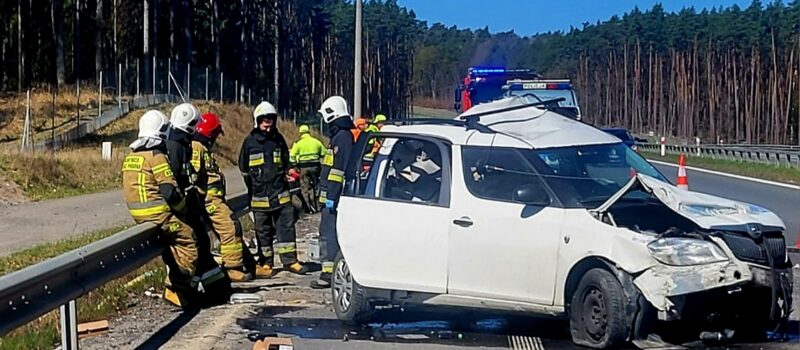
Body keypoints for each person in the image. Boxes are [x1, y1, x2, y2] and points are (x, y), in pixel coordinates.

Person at [122, 110, 198, 308]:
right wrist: (182, 211)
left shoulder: (131, 157)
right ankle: (176, 287)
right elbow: (170, 191)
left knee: (171, 244)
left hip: (138, 215)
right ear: (162, 132)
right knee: (188, 238)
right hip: (158, 215)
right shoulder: (156, 156)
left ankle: (177, 282)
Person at [168, 103, 231, 303]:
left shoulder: (183, 145)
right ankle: (179, 290)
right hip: (183, 210)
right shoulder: (176, 148)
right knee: (195, 245)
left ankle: (214, 290)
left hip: (191, 207)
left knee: (202, 243)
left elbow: (190, 179)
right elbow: (176, 183)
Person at [239, 101, 308, 278]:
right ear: (257, 121)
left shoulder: (279, 139)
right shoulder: (249, 142)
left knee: (286, 227)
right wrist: (255, 187)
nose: (268, 128)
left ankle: (290, 261)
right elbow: (244, 170)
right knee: (263, 232)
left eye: (271, 124)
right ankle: (266, 263)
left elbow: (287, 162)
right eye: (264, 124)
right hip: (259, 197)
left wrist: (291, 171)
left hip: (281, 195)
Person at [191, 112, 254, 282]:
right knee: (229, 229)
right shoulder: (197, 147)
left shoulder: (201, 148)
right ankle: (232, 268)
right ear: (210, 133)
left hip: (215, 200)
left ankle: (245, 264)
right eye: (215, 134)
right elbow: (194, 176)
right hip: (210, 201)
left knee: (233, 227)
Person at [311, 96, 356, 289]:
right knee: (327, 233)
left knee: (329, 235)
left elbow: (338, 172)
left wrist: (331, 197)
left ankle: (328, 274)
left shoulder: (343, 138)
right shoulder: (338, 137)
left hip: (335, 199)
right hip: (331, 197)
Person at [289, 124, 326, 213]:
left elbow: (292, 156)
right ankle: (317, 205)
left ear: (300, 133)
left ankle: (309, 209)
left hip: (303, 168)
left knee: (305, 188)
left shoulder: (298, 144)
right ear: (308, 131)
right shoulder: (316, 142)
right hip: (315, 167)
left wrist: (295, 165)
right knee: (316, 186)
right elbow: (324, 153)